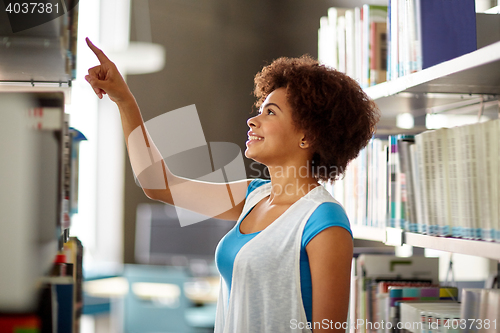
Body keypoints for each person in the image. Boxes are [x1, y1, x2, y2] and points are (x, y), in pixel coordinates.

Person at [85, 37, 379, 332]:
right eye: (260, 110)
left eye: (270, 112)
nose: (253, 120)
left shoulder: (324, 221)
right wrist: (124, 100)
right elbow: (157, 183)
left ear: (309, 136)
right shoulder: (253, 195)